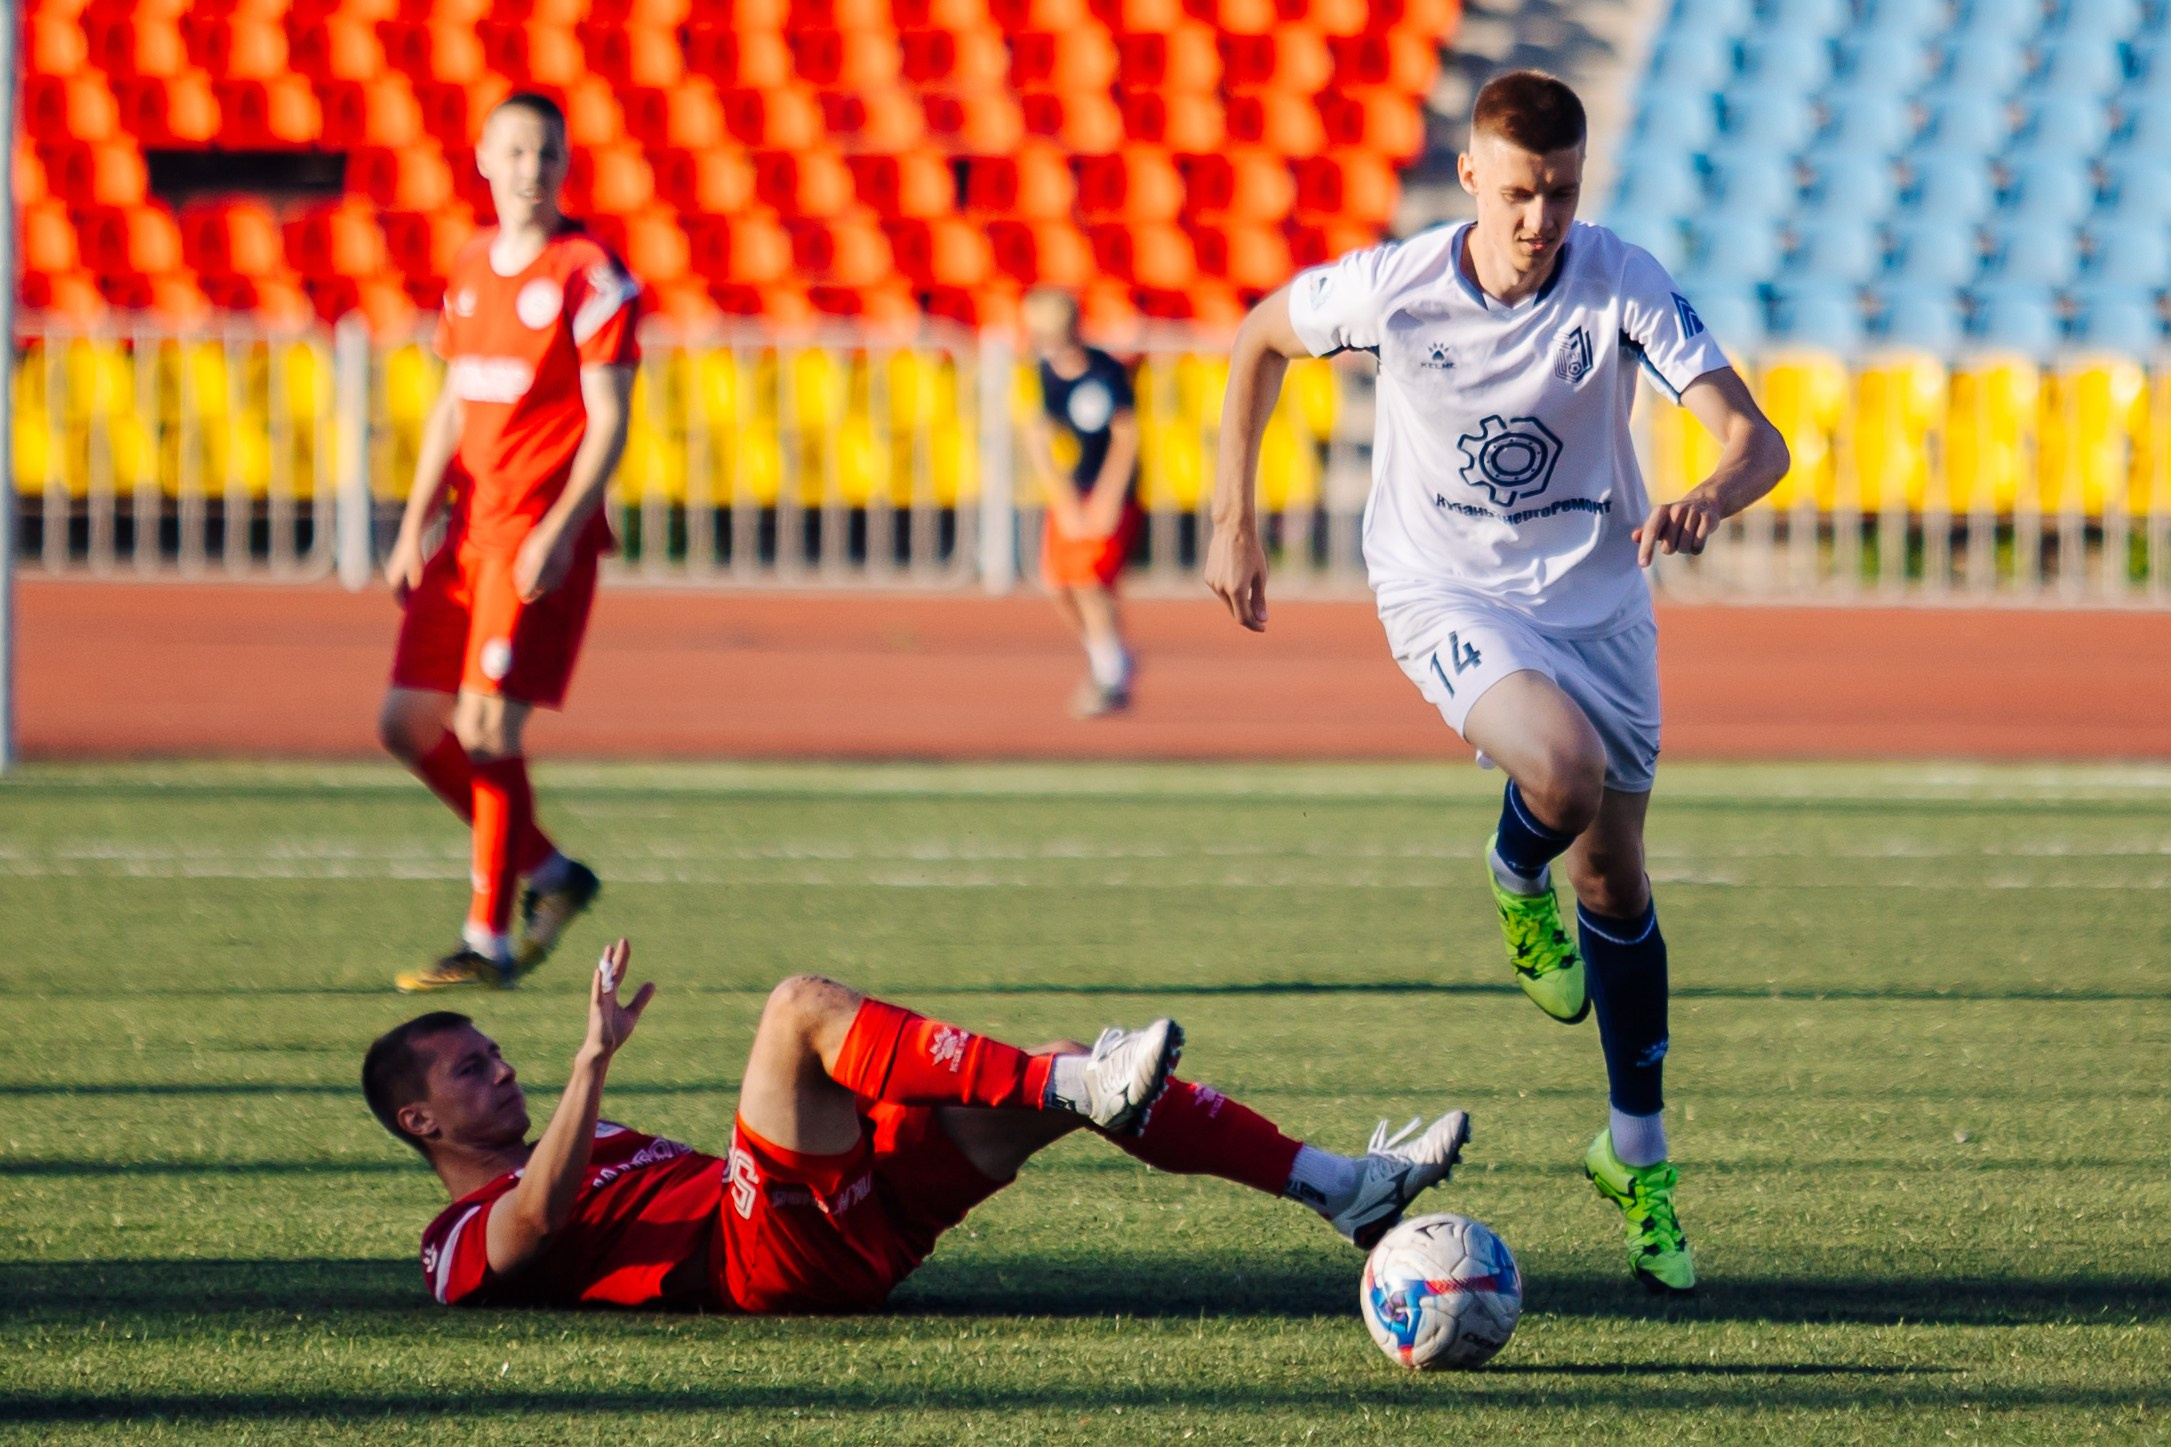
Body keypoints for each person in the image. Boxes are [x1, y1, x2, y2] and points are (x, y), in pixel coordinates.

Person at [1204, 70, 1790, 1296]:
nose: (1540, 219)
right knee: (1561, 772)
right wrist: (1232, 518)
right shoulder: (1395, 287)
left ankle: (1635, 1159)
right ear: (1470, 176)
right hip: (1445, 591)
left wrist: (1707, 495)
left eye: (1561, 193)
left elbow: (1755, 439)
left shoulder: (1618, 281)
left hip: (1600, 603)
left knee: (1616, 878)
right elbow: (1258, 336)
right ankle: (1511, 871)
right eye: (1519, 192)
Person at [363, 939, 1471, 1312]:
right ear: (418, 1119)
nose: (500, 1069)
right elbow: (532, 1222)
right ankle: (1077, 1085)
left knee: (1052, 1073)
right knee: (798, 1006)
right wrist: (589, 1061)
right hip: (760, 1261)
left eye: (496, 1052)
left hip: (844, 1226)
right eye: (471, 1068)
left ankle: (1343, 1186)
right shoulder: (448, 1242)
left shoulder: (587, 1140)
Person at [375, 92, 641, 992]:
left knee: (488, 726)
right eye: (517, 152)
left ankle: (485, 937)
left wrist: (562, 528)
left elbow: (609, 419)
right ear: (484, 158)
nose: (533, 170)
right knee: (407, 724)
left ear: (566, 164)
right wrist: (413, 520)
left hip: (533, 532)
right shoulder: (469, 263)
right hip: (466, 531)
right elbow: (454, 401)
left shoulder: (590, 274)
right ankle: (551, 873)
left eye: (548, 154)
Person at [1021, 288, 1144, 719]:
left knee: (1089, 580)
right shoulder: (1046, 374)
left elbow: (1126, 436)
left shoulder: (1106, 371)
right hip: (1077, 488)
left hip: (1113, 490)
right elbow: (1039, 438)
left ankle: (1111, 677)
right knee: (1058, 583)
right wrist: (1065, 500)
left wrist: (1107, 499)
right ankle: (1109, 655)